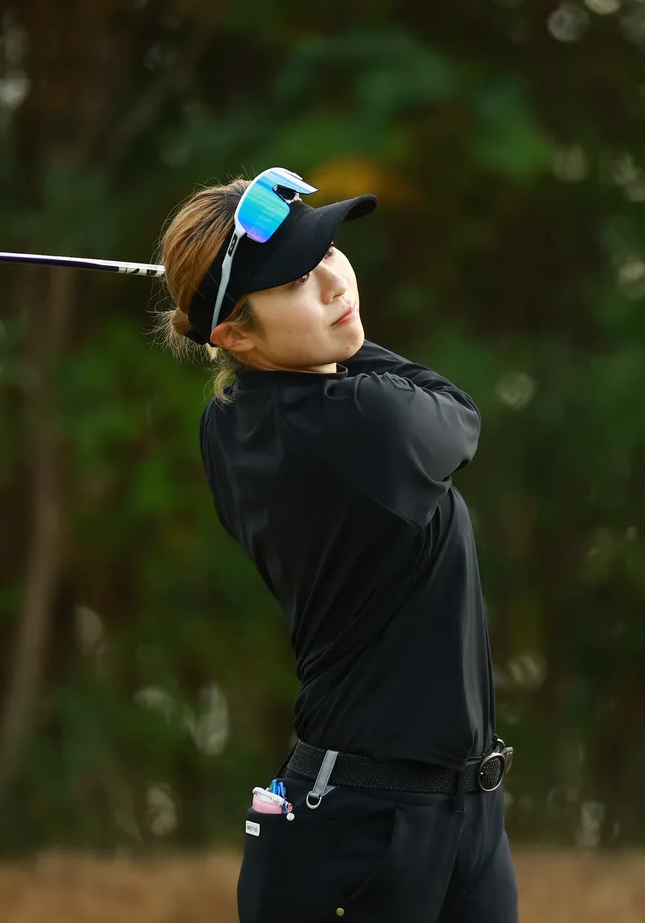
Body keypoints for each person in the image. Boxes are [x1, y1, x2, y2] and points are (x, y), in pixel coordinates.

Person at [155, 167, 518, 923]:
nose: (332, 282)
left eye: (324, 251)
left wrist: (276, 320)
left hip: (450, 811)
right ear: (236, 334)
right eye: (295, 280)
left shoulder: (229, 422)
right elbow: (458, 411)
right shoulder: (366, 426)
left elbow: (303, 370)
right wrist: (328, 342)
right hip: (367, 830)